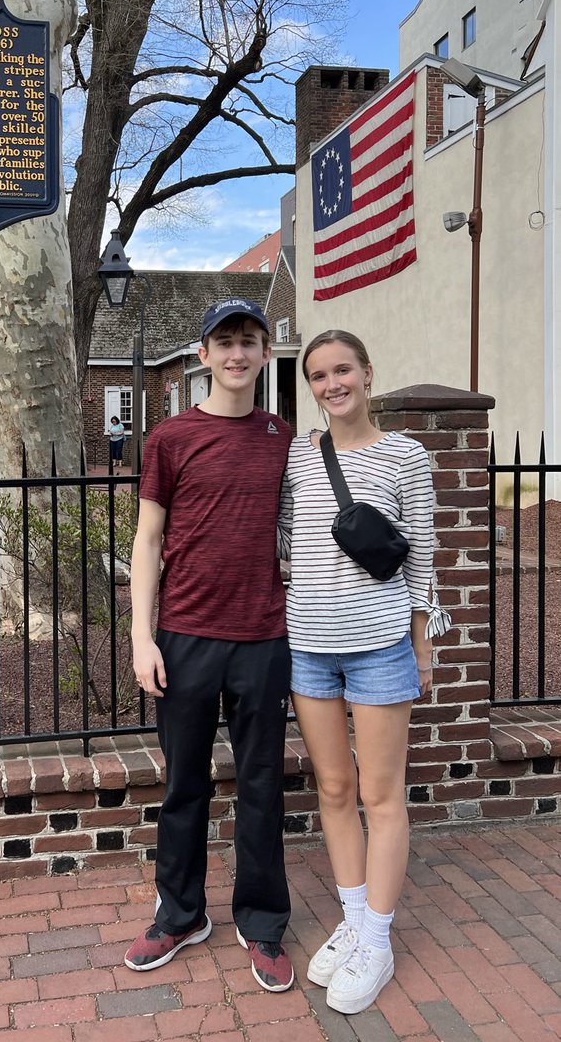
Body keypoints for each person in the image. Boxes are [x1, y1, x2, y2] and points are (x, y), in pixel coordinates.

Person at [124, 297, 294, 993]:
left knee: (261, 787)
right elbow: (148, 539)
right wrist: (141, 636)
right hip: (186, 635)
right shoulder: (170, 438)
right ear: (203, 355)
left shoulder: (284, 437)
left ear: (263, 354)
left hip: (263, 635)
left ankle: (262, 922)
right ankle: (180, 914)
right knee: (183, 785)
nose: (236, 353)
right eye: (224, 341)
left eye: (249, 341)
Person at [281, 330, 446, 1015]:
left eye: (341, 369)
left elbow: (421, 557)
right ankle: (352, 920)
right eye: (318, 375)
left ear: (367, 374)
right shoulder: (298, 456)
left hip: (380, 647)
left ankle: (376, 937)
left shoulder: (406, 455)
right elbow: (288, 537)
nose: (331, 384)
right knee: (334, 788)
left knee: (382, 797)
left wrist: (423, 644)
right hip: (308, 647)